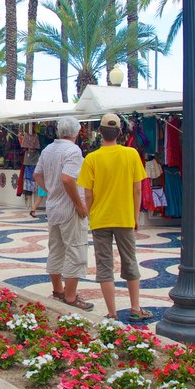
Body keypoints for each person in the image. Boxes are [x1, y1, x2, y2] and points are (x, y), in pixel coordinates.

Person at [77, 113, 151, 322]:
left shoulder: (91, 159)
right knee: (130, 261)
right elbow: (137, 190)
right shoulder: (131, 154)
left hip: (101, 219)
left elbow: (88, 193)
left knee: (104, 266)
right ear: (120, 132)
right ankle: (135, 308)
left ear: (100, 132)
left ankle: (112, 312)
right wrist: (135, 216)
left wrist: (89, 213)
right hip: (125, 217)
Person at [34, 116, 92, 311]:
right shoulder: (73, 150)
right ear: (76, 132)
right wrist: (79, 204)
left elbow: (37, 174)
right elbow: (68, 179)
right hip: (69, 208)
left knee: (56, 249)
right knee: (75, 250)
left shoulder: (48, 149)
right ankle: (70, 296)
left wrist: (51, 190)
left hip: (53, 208)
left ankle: (58, 290)